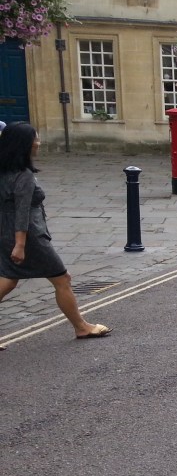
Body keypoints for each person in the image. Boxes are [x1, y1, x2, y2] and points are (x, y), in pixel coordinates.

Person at [0, 122, 112, 349]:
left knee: (9, 280)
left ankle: (81, 325)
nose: (38, 143)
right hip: (29, 237)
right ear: (23, 145)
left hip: (5, 232)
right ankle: (81, 327)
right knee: (62, 279)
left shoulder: (3, 172)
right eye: (35, 139)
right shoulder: (23, 175)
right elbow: (22, 211)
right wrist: (20, 244)